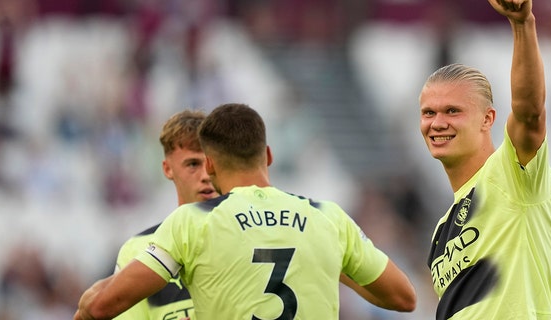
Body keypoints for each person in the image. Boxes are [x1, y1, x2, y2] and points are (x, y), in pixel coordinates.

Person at [74, 103, 417, 320]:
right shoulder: (327, 217)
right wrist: (333, 264)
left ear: (210, 164)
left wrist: (90, 302)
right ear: (268, 155)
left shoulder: (194, 223)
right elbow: (404, 298)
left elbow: (104, 306)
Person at [420, 0, 551, 319]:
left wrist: (523, 24)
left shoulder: (512, 174)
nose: (437, 122)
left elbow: (529, 114)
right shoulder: (441, 231)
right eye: (429, 112)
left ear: (487, 119)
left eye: (453, 111)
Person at [113, 109, 218, 320]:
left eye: (211, 164)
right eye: (193, 164)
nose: (206, 176)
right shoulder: (137, 249)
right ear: (168, 169)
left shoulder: (250, 237)